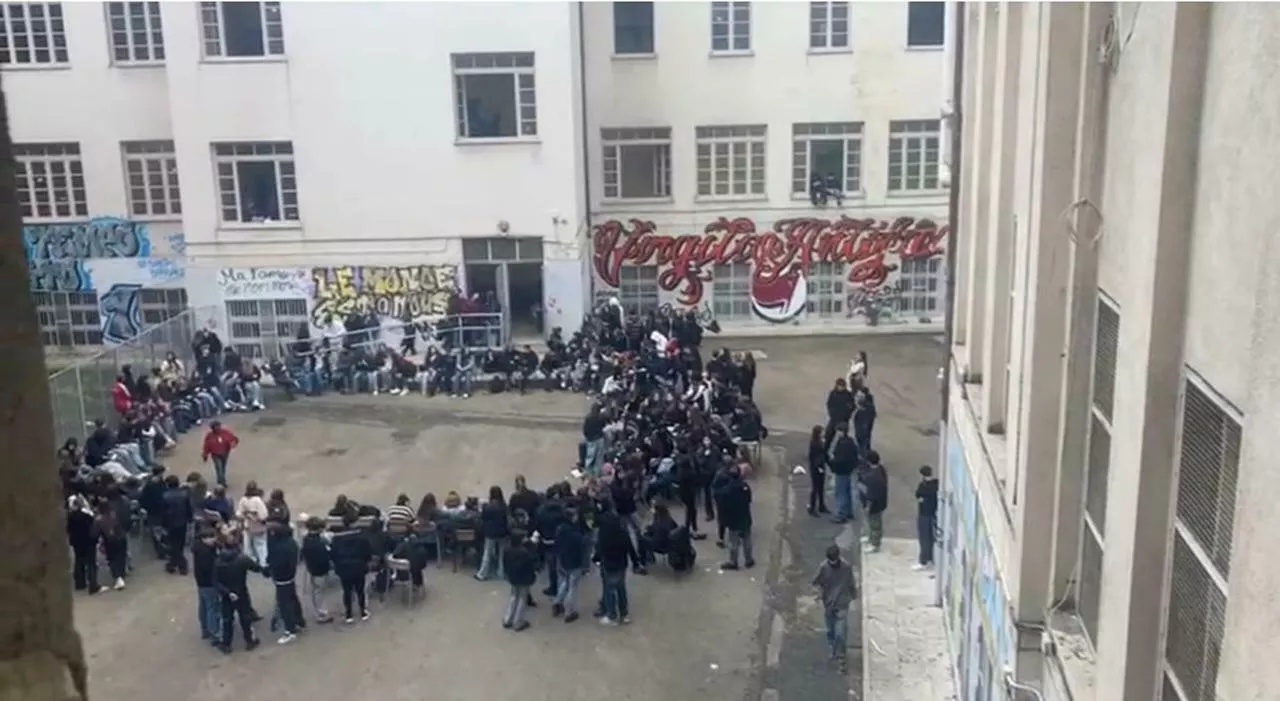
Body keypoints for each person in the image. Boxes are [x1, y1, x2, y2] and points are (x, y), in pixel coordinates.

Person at [213, 538, 263, 654]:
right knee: (245, 617)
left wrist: (227, 592)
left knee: (227, 619)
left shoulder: (218, 561)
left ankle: (226, 644)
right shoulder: (242, 559)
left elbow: (215, 581)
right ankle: (249, 641)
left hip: (227, 595)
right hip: (241, 591)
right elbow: (257, 568)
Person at [812, 544, 857, 668]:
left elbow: (851, 581)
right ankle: (833, 648)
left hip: (842, 603)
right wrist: (818, 594)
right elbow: (816, 582)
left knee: (840, 632)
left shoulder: (846, 567)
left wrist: (853, 594)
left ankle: (841, 654)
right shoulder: (823, 567)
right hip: (829, 604)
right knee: (831, 629)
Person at [594, 509, 637, 626]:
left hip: (608, 564)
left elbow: (599, 550)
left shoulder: (603, 534)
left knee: (609, 590)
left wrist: (596, 559)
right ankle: (624, 614)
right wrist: (636, 562)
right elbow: (631, 548)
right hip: (621, 564)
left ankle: (611, 615)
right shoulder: (623, 533)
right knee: (621, 589)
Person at [266, 521, 306, 645]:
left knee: (284, 605)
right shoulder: (292, 543)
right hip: (290, 576)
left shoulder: (278, 547)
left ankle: (290, 630)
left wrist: (269, 571)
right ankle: (299, 621)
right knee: (293, 599)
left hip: (281, 577)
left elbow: (273, 561)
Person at [329, 511, 373, 623]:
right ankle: (363, 611)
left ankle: (349, 614)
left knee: (347, 590)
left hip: (343, 567)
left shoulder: (337, 538)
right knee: (360, 590)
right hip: (358, 566)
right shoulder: (361, 536)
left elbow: (333, 553)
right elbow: (367, 552)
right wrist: (366, 562)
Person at [551, 507, 588, 622]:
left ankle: (557, 602)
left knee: (565, 583)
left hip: (562, 560)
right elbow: (582, 549)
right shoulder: (575, 535)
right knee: (573, 587)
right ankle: (569, 611)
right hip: (574, 563)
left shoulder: (559, 529)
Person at [716, 465, 754, 570]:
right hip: (745, 517)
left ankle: (733, 562)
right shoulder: (745, 487)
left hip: (733, 520)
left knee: (734, 542)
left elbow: (722, 505)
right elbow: (749, 500)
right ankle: (749, 560)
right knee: (747, 539)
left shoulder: (727, 491)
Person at [299, 516, 334, 623]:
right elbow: (324, 556)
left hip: (312, 568)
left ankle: (320, 611)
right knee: (319, 591)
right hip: (320, 570)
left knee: (317, 590)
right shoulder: (318, 543)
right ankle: (321, 614)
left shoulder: (307, 539)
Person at [500, 533, 537, 631]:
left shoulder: (507, 550)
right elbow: (532, 563)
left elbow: (504, 563)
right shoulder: (524, 552)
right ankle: (518, 622)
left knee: (513, 597)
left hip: (513, 577)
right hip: (524, 578)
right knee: (522, 599)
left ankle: (508, 619)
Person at [192, 529, 221, 644]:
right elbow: (209, 567)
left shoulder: (198, 548)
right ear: (205, 538)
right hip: (209, 583)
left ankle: (205, 629)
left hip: (201, 582)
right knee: (212, 608)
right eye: (212, 537)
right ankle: (214, 632)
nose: (214, 539)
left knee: (203, 606)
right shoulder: (206, 552)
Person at [66, 495, 101, 594]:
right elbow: (93, 528)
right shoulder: (87, 516)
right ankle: (93, 584)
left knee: (79, 562)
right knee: (91, 563)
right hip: (88, 542)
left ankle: (79, 583)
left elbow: (68, 530)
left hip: (77, 543)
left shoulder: (70, 518)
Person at [161, 474, 193, 575]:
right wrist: (190, 518)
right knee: (180, 543)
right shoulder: (184, 494)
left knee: (173, 544)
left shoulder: (165, 496)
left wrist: (163, 523)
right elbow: (189, 508)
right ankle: (174, 564)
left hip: (170, 522)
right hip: (182, 521)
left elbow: (163, 511)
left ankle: (179, 564)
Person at [476, 486, 509, 581]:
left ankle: (482, 574)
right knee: (502, 554)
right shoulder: (504, 506)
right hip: (503, 532)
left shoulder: (487, 506)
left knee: (487, 553)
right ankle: (501, 572)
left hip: (490, 533)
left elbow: (483, 519)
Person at [828, 424, 859, 525]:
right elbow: (855, 454)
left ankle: (841, 514)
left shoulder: (841, 443)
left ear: (841, 431)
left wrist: (832, 463)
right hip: (849, 470)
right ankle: (848, 512)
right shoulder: (850, 441)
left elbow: (838, 458)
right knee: (847, 491)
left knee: (840, 492)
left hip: (841, 470)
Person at [860, 450, 888, 552]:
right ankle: (871, 538)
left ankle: (875, 544)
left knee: (875, 523)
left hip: (874, 505)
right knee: (873, 522)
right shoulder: (881, 470)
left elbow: (870, 494)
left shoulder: (872, 477)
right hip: (881, 502)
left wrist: (868, 505)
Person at [236, 481, 270, 567]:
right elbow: (264, 515)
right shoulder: (257, 500)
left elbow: (238, 514)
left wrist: (246, 515)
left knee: (248, 545)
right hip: (258, 527)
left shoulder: (243, 499)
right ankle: (263, 563)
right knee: (261, 544)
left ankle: (251, 561)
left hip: (247, 525)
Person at [914, 466, 939, 570]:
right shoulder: (936, 484)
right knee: (931, 538)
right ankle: (930, 559)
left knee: (924, 538)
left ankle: (923, 560)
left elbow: (917, 494)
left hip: (924, 514)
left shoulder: (923, 486)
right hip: (933, 514)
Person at [201, 421, 239, 488]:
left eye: (219, 426)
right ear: (213, 428)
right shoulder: (209, 435)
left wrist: (233, 444)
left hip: (225, 453)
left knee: (223, 467)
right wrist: (205, 455)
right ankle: (221, 482)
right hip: (215, 454)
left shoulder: (225, 432)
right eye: (216, 427)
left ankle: (221, 480)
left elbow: (234, 439)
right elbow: (206, 445)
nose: (218, 428)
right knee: (219, 468)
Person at [824, 378, 855, 449]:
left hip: (843, 421)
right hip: (834, 419)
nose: (841, 387)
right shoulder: (833, 393)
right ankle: (825, 452)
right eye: (840, 386)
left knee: (843, 439)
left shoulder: (848, 395)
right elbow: (829, 404)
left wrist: (847, 415)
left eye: (842, 386)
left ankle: (841, 452)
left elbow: (852, 406)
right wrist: (831, 414)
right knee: (828, 436)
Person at [807, 424, 829, 516]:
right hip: (816, 468)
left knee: (820, 487)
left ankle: (821, 505)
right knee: (815, 488)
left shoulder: (819, 442)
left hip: (820, 466)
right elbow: (815, 457)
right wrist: (819, 466)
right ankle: (812, 508)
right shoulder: (815, 444)